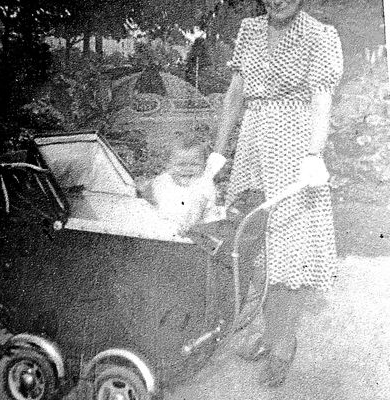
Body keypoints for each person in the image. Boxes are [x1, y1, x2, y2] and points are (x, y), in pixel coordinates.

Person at [208, 0, 344, 388]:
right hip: (253, 143)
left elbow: (321, 100)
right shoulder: (249, 31)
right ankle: (269, 334)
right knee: (251, 241)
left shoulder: (320, 35)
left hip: (295, 146)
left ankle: (283, 343)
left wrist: (314, 154)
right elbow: (235, 96)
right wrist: (219, 152)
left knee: (290, 248)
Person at [137, 132, 223, 234]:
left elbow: (199, 207)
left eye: (194, 164)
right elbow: (153, 197)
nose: (187, 169)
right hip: (167, 224)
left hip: (195, 228)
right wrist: (145, 190)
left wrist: (189, 225)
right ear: (168, 165)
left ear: (204, 165)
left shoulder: (203, 183)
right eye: (181, 165)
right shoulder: (164, 179)